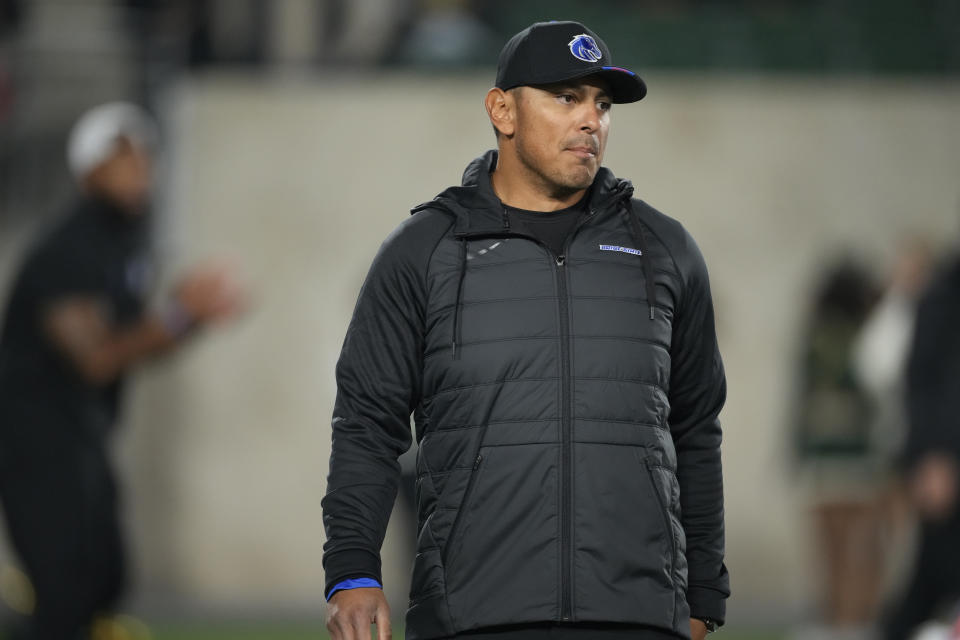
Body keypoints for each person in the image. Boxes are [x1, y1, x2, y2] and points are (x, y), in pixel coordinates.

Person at [322, 21, 729, 640]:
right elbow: (365, 424)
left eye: (602, 103)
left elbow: (695, 428)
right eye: (566, 98)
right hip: (474, 616)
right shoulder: (422, 251)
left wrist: (704, 595)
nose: (591, 120)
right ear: (502, 110)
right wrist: (353, 571)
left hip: (637, 615)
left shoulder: (665, 251)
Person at [0, 102, 244, 639]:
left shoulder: (122, 245)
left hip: (81, 436)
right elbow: (96, 359)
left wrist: (188, 320)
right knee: (65, 597)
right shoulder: (67, 250)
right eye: (124, 159)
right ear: (90, 171)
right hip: (34, 443)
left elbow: (133, 344)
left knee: (104, 580)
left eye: (145, 157)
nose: (141, 169)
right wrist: (181, 314)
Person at [884, 248, 960, 640]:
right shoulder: (945, 295)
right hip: (947, 468)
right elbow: (927, 384)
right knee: (929, 585)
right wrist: (936, 455)